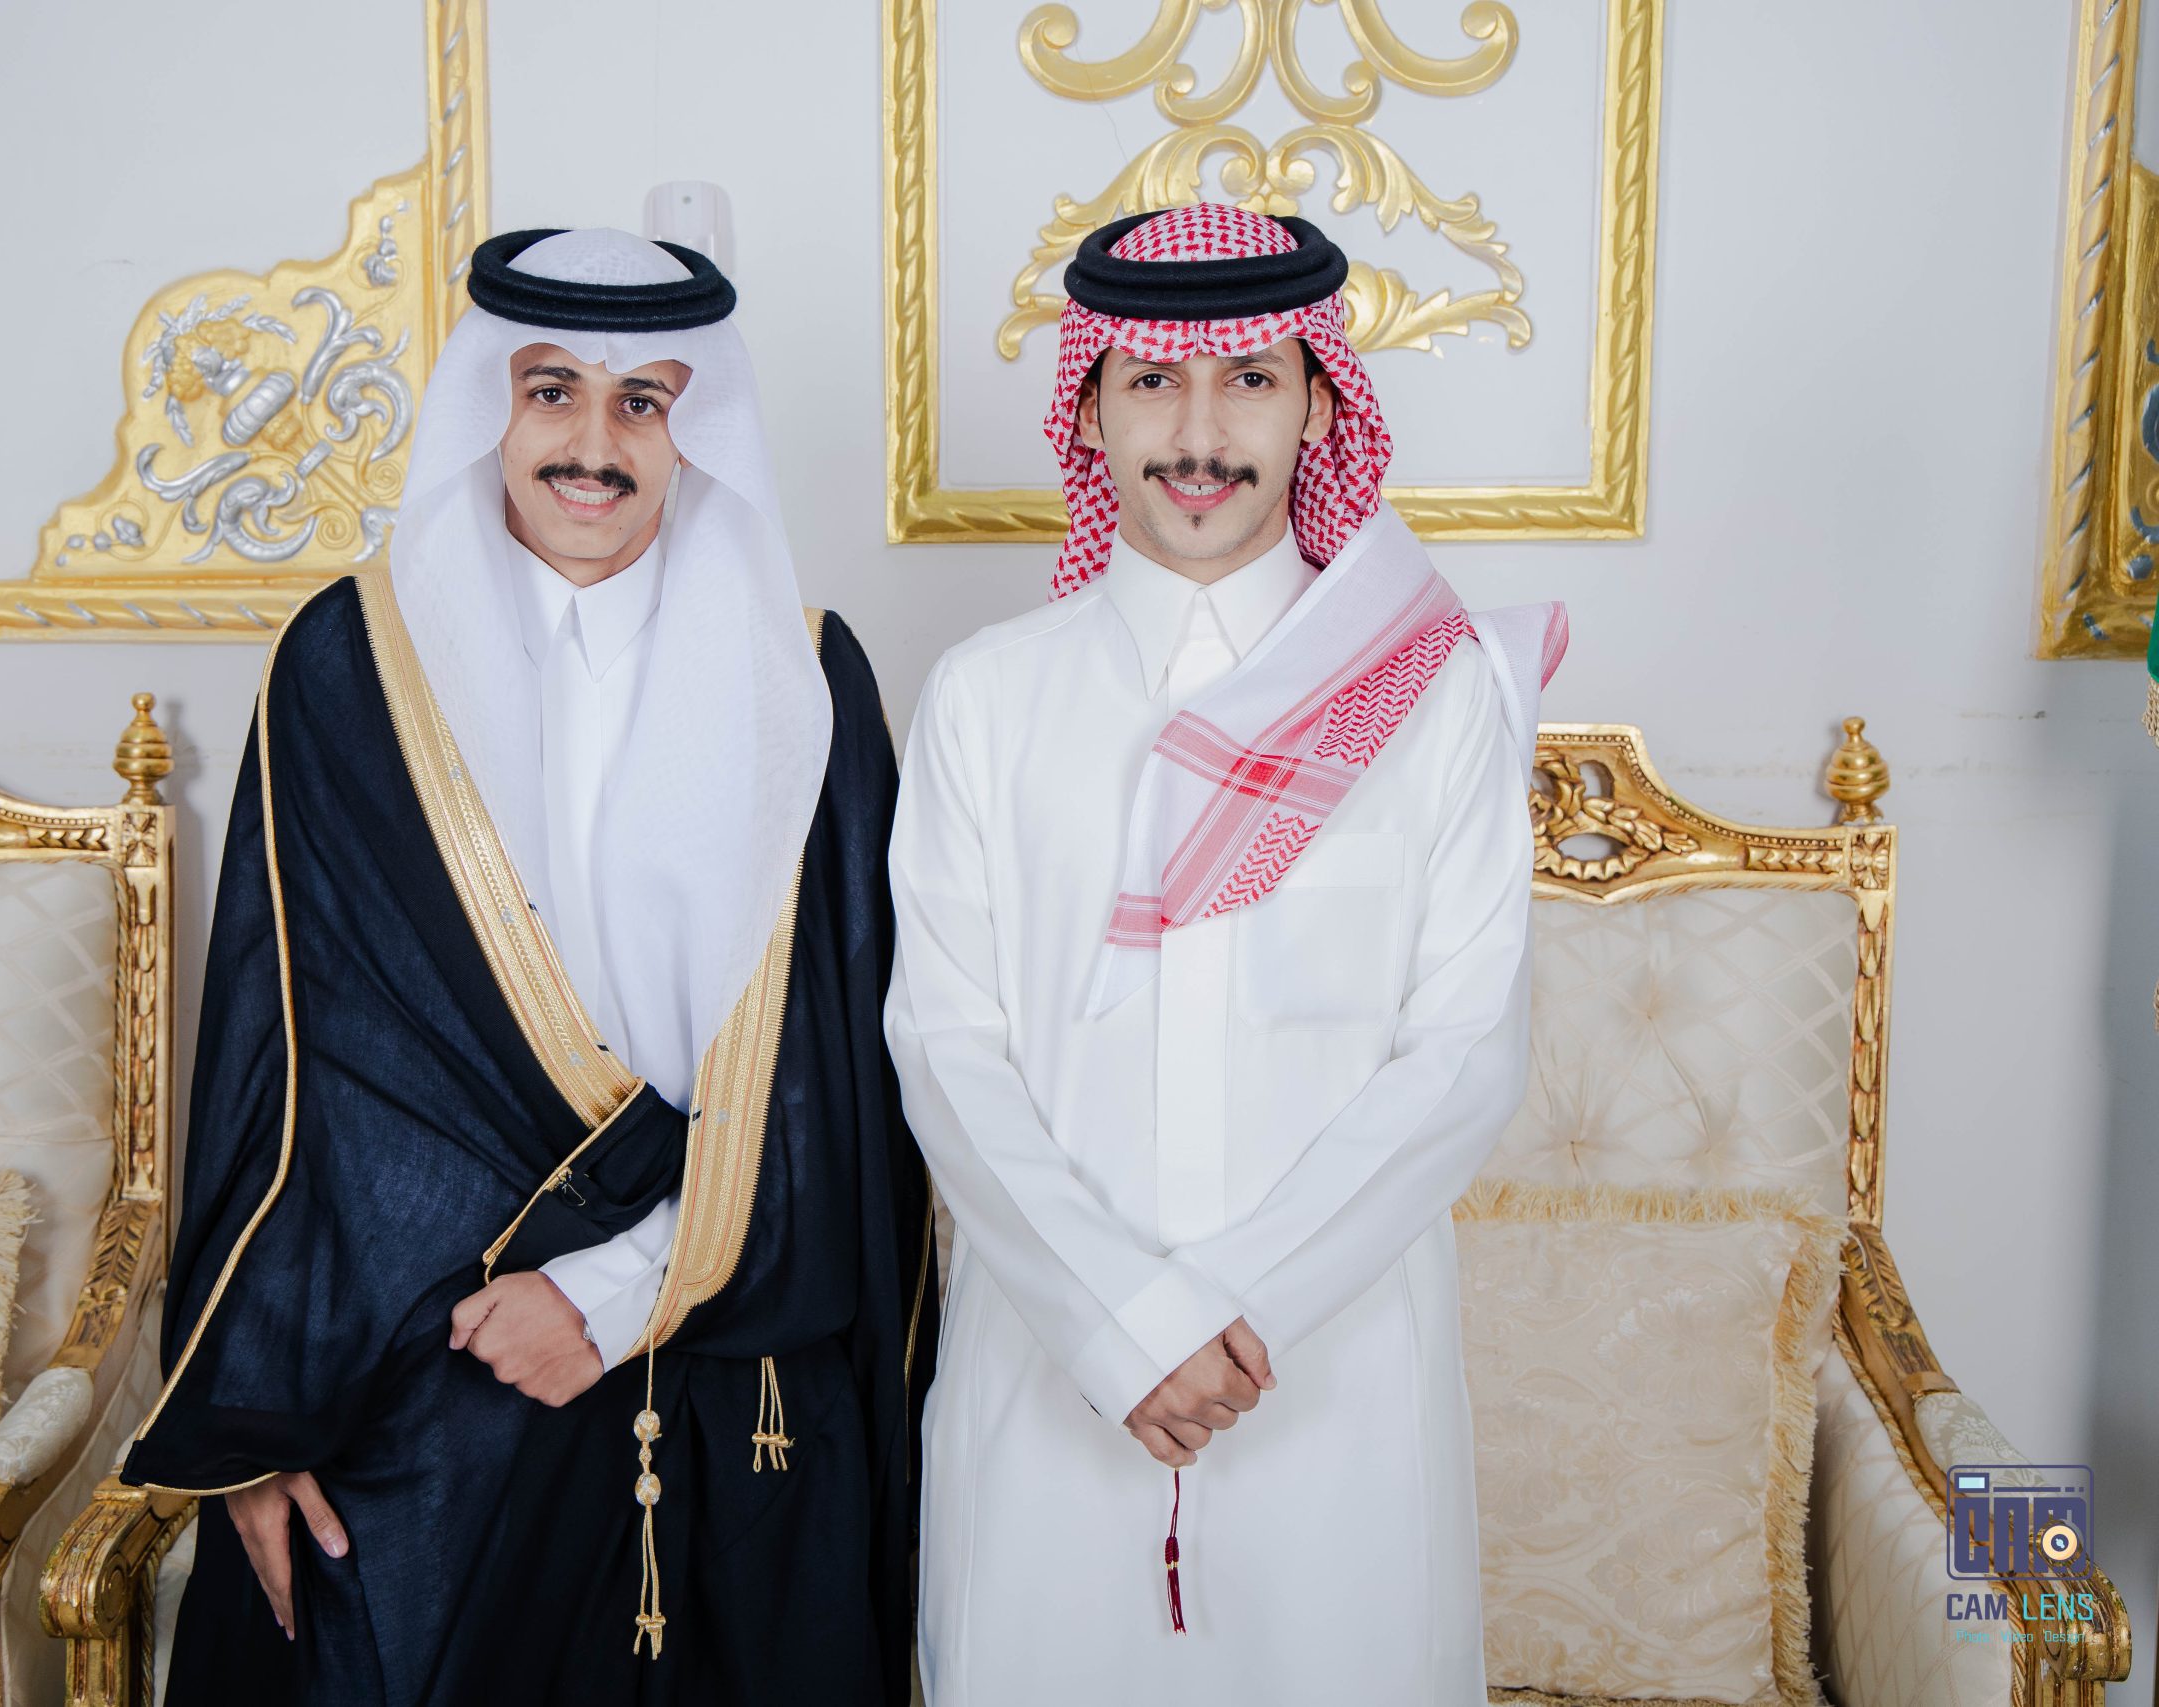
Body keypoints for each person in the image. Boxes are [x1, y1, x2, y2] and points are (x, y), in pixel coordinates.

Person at [123, 226, 936, 1706]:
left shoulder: (806, 681)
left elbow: (837, 1080)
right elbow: (282, 1048)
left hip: (723, 1335)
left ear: (698, 425)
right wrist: (258, 1408)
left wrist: (617, 1292)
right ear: (488, 404)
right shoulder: (351, 664)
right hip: (416, 1359)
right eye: (551, 390)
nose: (594, 446)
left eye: (644, 402)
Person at [883, 202, 1566, 1703]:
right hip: (1051, 1374)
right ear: (1089, 410)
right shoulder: (985, 701)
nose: (1200, 436)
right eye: (1153, 383)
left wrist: (1228, 1318)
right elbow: (946, 1047)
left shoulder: (1433, 693)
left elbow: (1463, 1050)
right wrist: (1122, 1326)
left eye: (1249, 380)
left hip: (1331, 1382)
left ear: (1320, 403)